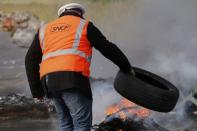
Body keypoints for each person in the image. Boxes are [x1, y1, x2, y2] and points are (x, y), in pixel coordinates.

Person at [25, 3, 133, 131]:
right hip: (73, 80)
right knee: (81, 125)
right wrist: (126, 67)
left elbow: (30, 60)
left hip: (49, 83)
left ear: (60, 16)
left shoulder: (45, 29)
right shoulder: (84, 25)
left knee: (65, 124)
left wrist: (37, 92)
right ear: (80, 14)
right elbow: (107, 48)